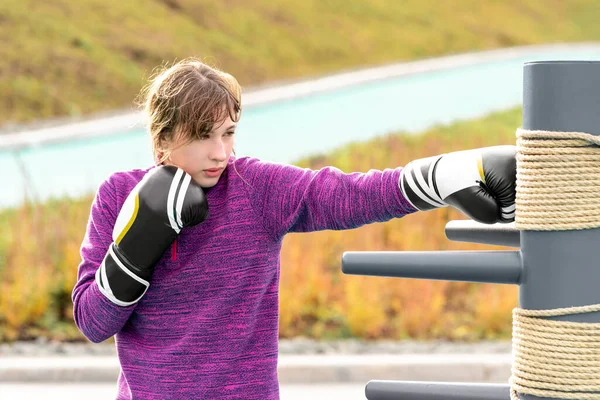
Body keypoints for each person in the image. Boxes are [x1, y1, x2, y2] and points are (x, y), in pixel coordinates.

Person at [72, 58, 516, 399]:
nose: (220, 151)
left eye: (228, 132)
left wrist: (441, 176)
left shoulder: (254, 189)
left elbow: (347, 195)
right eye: (203, 135)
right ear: (164, 136)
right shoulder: (118, 195)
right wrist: (133, 249)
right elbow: (93, 322)